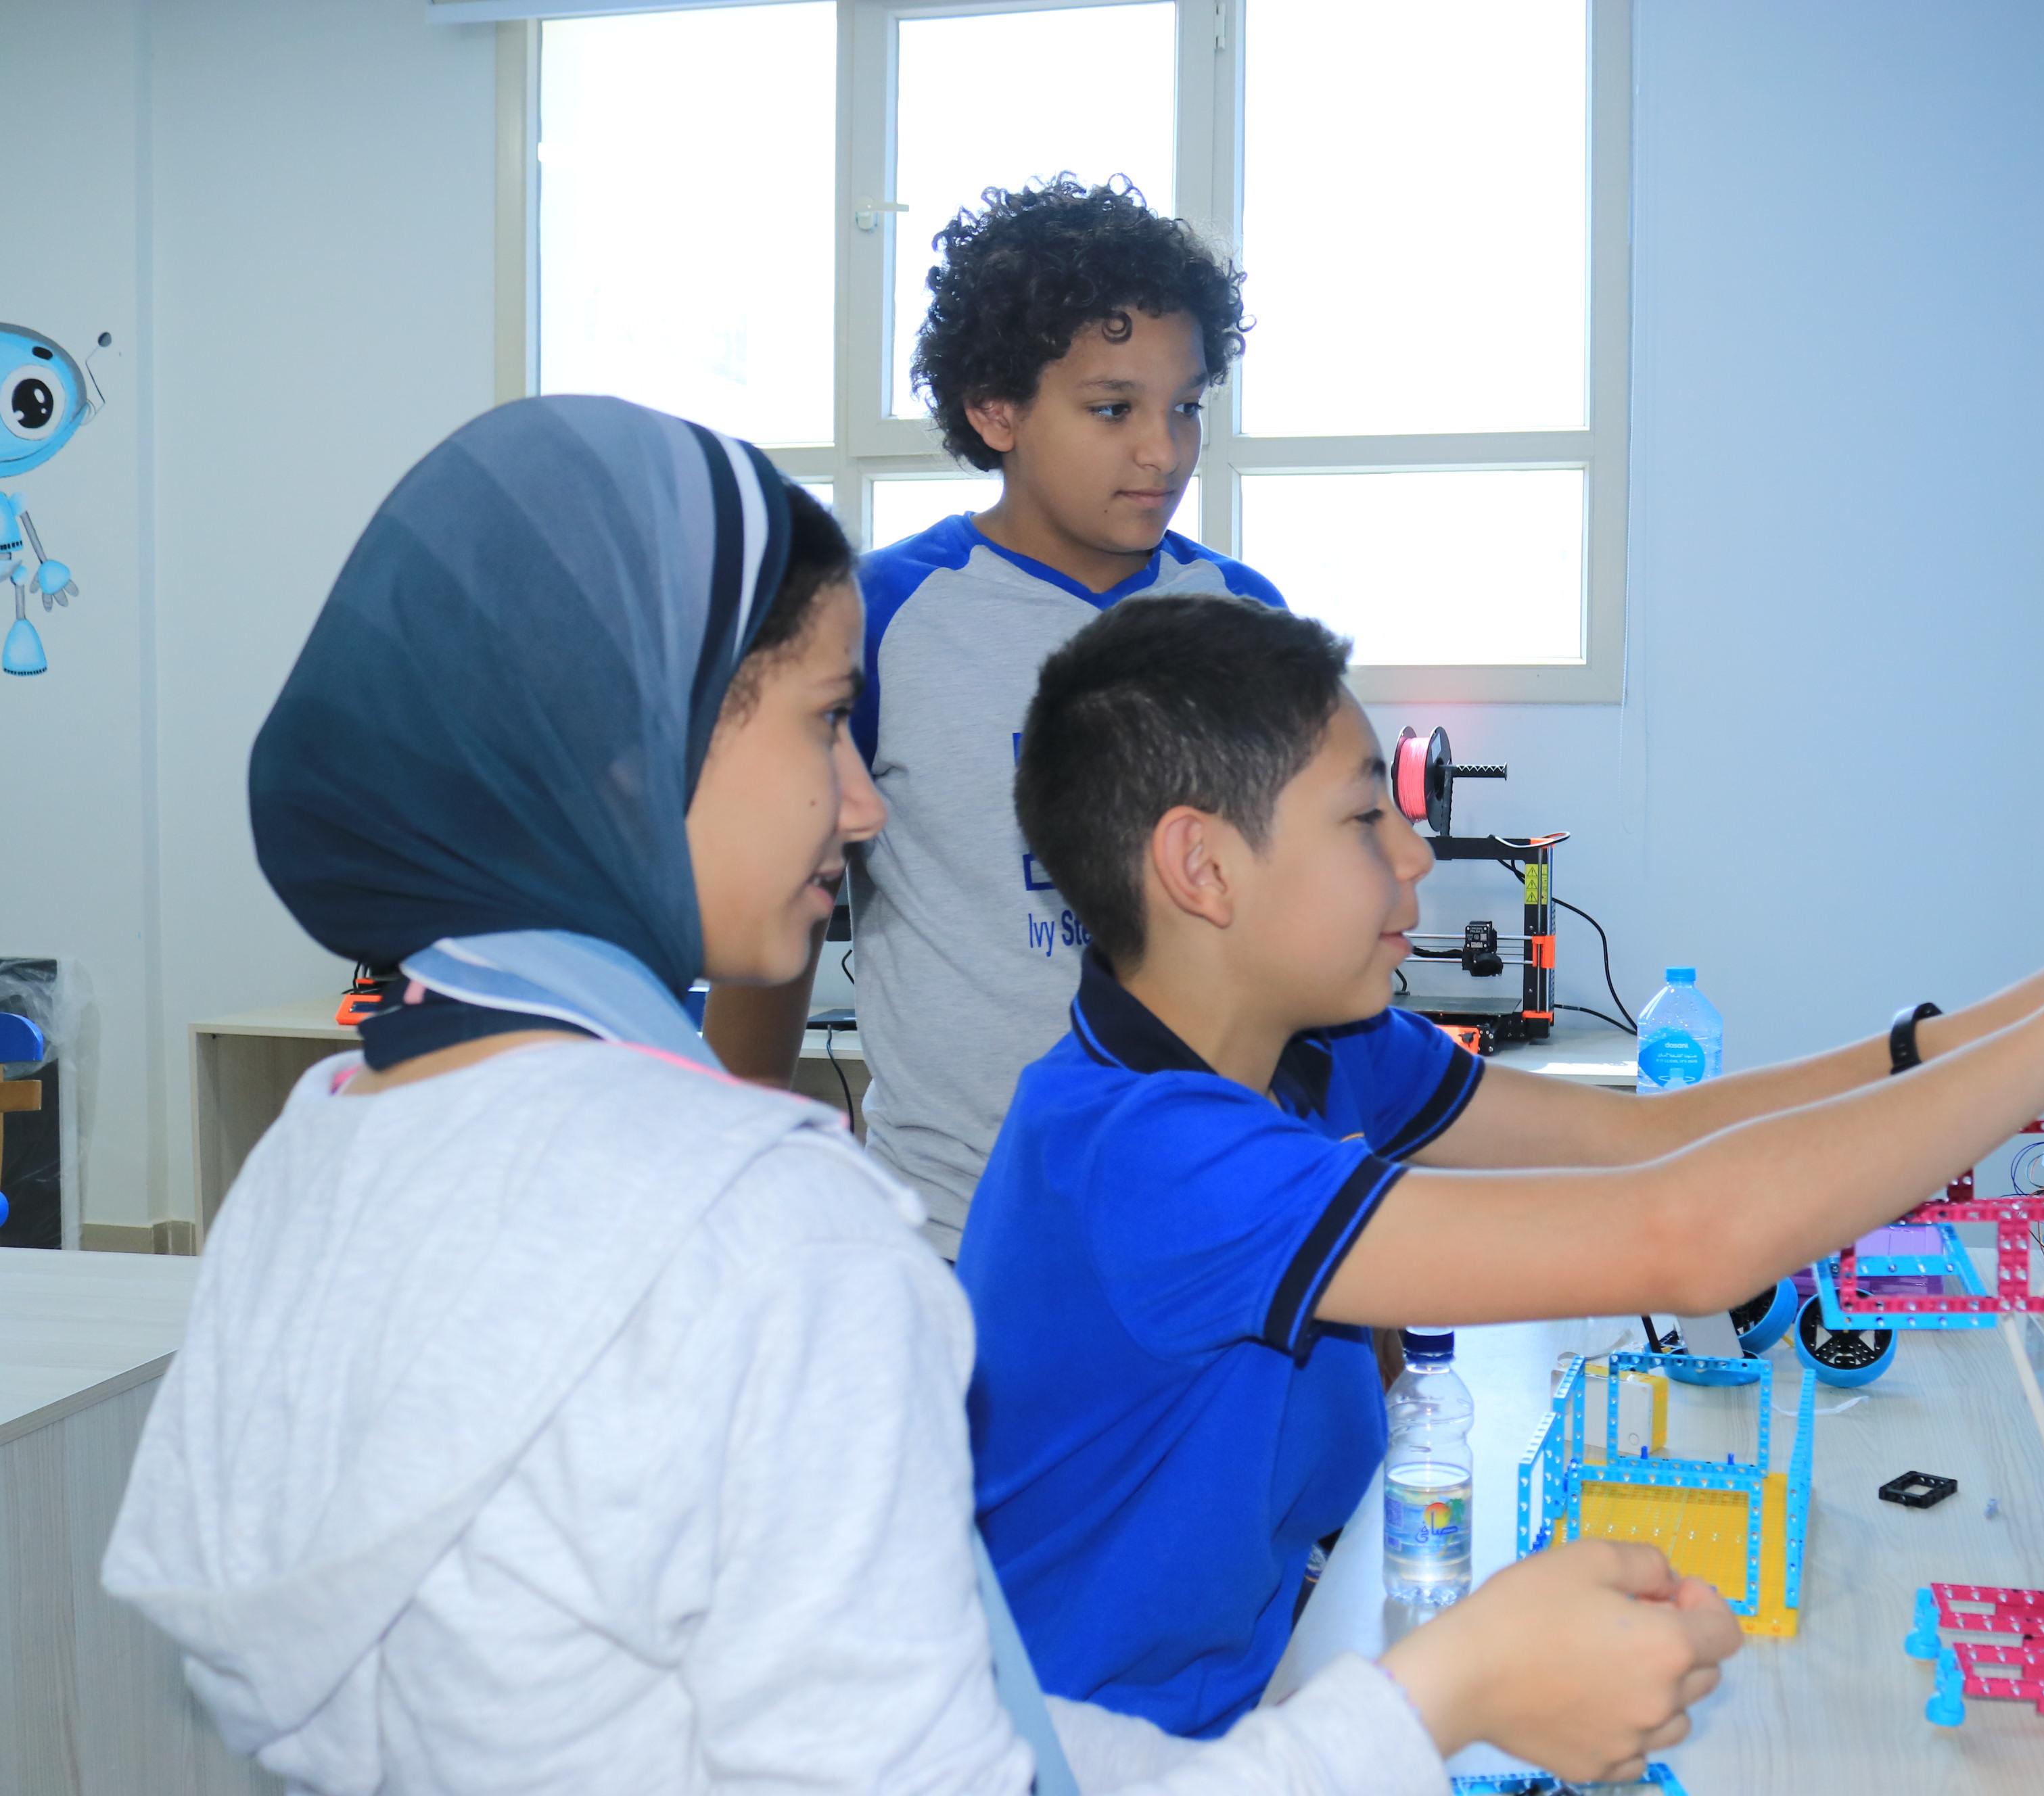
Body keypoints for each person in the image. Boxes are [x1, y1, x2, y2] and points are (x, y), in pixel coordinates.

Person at [99, 398, 1738, 1796]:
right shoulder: (759, 1228)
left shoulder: (327, 1144)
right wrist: (1441, 1692)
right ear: (629, 753)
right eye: (826, 721)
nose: (869, 801)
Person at [960, 594, 2044, 1737]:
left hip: (1268, 1672)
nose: (1417, 849)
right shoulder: (1144, 1161)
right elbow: (1688, 1234)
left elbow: (1650, 1135)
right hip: (1111, 1755)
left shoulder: (1316, 1046)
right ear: (1202, 867)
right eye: (1362, 818)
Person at [706, 176, 1276, 1260]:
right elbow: (769, 927)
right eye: (1114, 408)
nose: (1165, 450)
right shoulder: (875, 620)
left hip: (1216, 1228)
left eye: (1188, 405)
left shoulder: (1243, 618)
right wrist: (721, 1167)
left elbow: (1301, 938)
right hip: (958, 1245)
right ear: (995, 408)